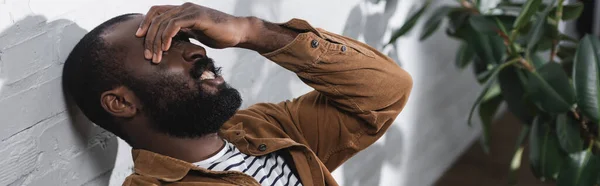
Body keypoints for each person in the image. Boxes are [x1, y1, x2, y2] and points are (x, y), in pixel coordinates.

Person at [62, 2, 412, 186]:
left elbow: (385, 91)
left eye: (183, 38)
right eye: (160, 48)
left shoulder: (264, 129)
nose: (195, 50)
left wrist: (250, 31)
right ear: (121, 102)